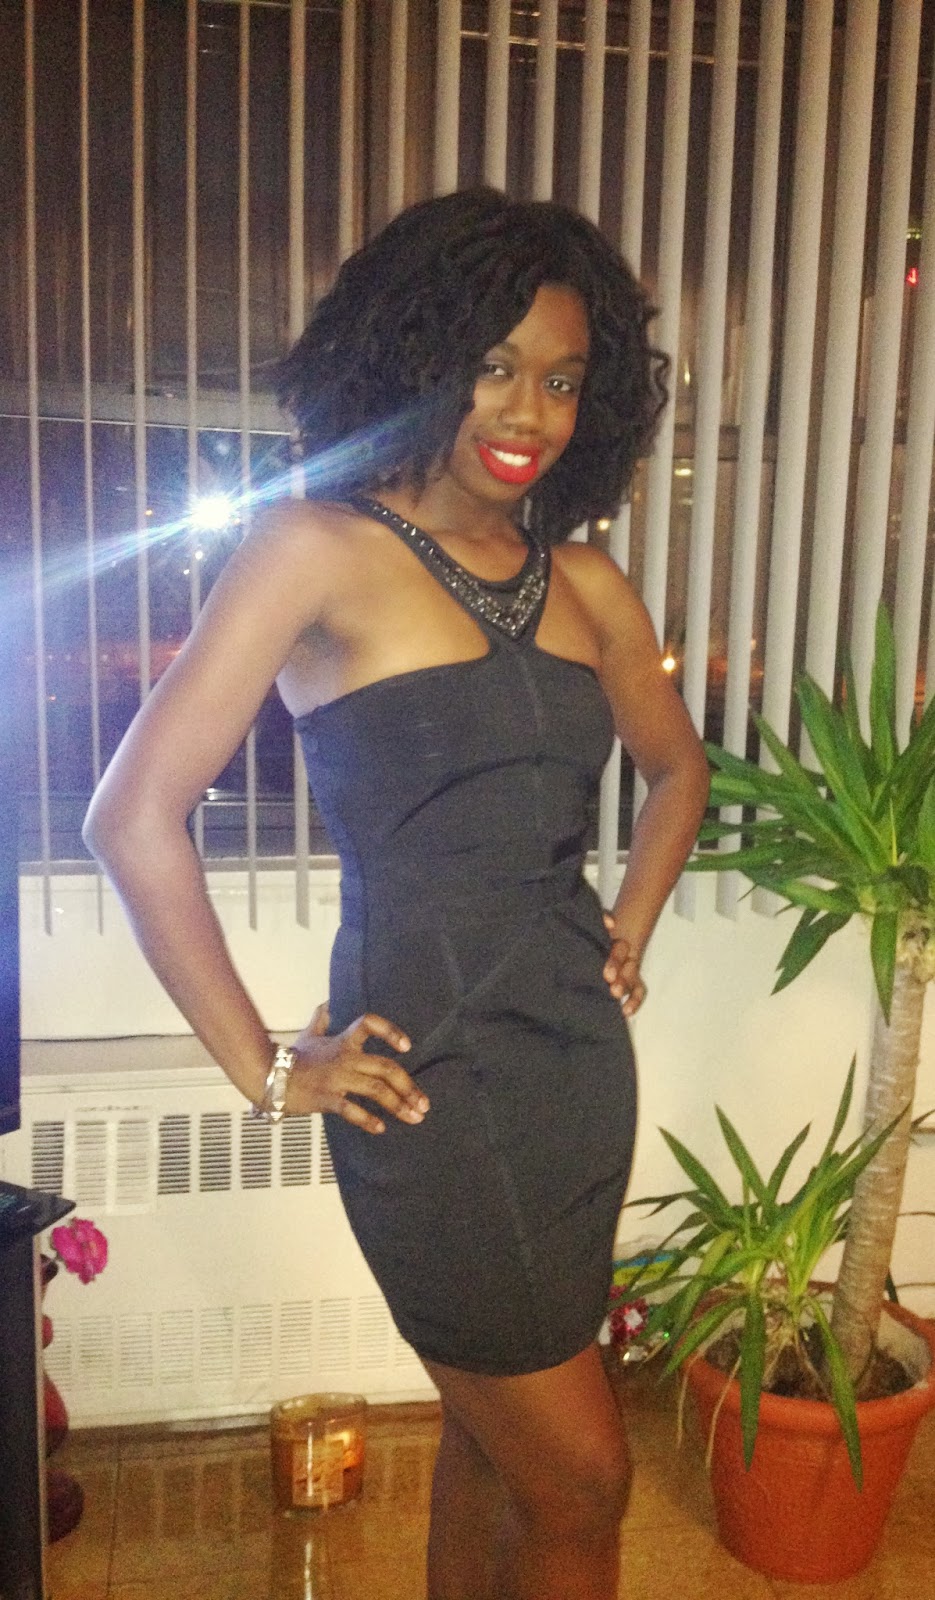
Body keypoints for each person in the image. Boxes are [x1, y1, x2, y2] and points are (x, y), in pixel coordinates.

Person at [84, 187, 709, 1600]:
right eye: (495, 365)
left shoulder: (590, 584)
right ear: (418, 356)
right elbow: (131, 817)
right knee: (585, 1480)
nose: (531, 411)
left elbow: (680, 771)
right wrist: (267, 1068)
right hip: (429, 1078)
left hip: (571, 1071)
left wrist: (629, 923)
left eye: (564, 379)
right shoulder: (314, 550)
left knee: (493, 1446)